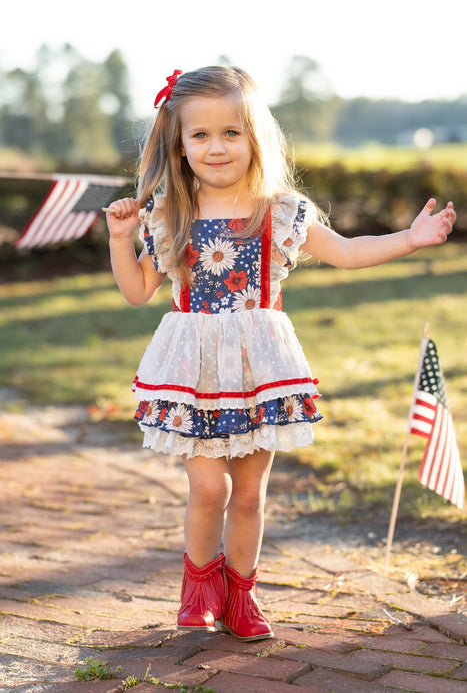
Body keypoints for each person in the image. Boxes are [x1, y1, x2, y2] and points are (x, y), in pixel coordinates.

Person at [105, 66, 456, 642]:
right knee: (209, 488)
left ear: (255, 137)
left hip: (259, 371)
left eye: (232, 132)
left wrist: (409, 239)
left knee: (248, 495)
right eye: (201, 135)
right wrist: (122, 240)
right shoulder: (169, 211)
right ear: (179, 142)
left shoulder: (281, 211)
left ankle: (241, 594)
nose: (216, 147)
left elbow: (345, 251)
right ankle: (199, 586)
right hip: (192, 372)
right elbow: (138, 289)